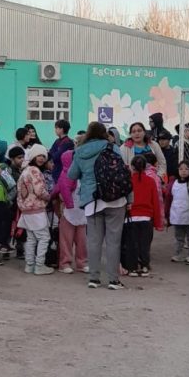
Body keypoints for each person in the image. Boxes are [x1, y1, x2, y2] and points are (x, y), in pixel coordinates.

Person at [67, 121, 127, 291]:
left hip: (92, 201)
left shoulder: (79, 151)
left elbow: (71, 175)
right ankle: (113, 280)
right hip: (116, 199)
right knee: (113, 241)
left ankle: (94, 278)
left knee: (93, 241)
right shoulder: (113, 147)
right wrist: (129, 199)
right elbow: (123, 172)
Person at [16, 144, 54, 275]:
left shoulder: (25, 170)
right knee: (44, 238)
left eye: (44, 156)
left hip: (26, 210)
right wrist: (49, 197)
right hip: (36, 209)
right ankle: (39, 265)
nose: (42, 158)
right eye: (39, 155)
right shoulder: (35, 171)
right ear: (33, 156)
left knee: (31, 238)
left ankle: (29, 264)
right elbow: (39, 190)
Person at [123, 155, 162, 278]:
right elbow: (156, 202)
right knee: (144, 244)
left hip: (131, 217)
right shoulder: (151, 181)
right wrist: (158, 222)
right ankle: (145, 266)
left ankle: (133, 268)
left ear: (132, 167)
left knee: (131, 244)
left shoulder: (127, 180)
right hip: (146, 218)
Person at [51, 150, 87, 274]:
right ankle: (64, 263)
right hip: (67, 211)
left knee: (82, 240)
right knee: (66, 239)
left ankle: (82, 262)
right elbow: (60, 190)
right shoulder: (65, 175)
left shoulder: (83, 173)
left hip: (82, 211)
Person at [167, 161, 189, 262]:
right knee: (179, 237)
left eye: (186, 169)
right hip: (177, 214)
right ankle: (178, 253)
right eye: (181, 169)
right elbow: (170, 198)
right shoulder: (174, 183)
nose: (183, 171)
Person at [7, 146, 27, 258]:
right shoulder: (10, 171)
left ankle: (20, 250)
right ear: (12, 159)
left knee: (20, 225)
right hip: (12, 203)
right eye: (19, 158)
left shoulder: (20, 171)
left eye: (23, 157)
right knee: (12, 225)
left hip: (19, 203)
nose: (22, 160)